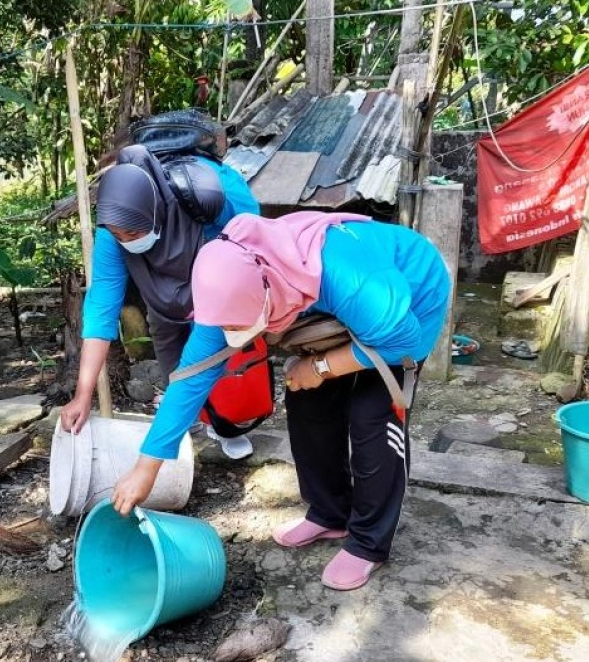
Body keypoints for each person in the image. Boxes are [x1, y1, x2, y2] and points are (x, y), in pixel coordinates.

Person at [108, 211, 451, 591]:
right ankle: (330, 513)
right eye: (228, 329)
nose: (232, 334)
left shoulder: (345, 276)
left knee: (372, 415)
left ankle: (369, 542)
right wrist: (147, 467)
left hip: (408, 303)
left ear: (268, 293)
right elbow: (190, 379)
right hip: (335, 315)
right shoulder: (225, 286)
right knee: (306, 401)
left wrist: (322, 366)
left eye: (242, 328)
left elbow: (407, 341)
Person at [59, 143, 260, 459]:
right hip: (162, 296)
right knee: (167, 345)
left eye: (132, 232)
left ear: (156, 212)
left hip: (216, 281)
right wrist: (83, 394)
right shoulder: (112, 232)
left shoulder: (206, 199)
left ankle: (224, 424)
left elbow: (255, 240)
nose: (127, 240)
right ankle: (186, 421)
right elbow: (101, 310)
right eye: (119, 236)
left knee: (211, 357)